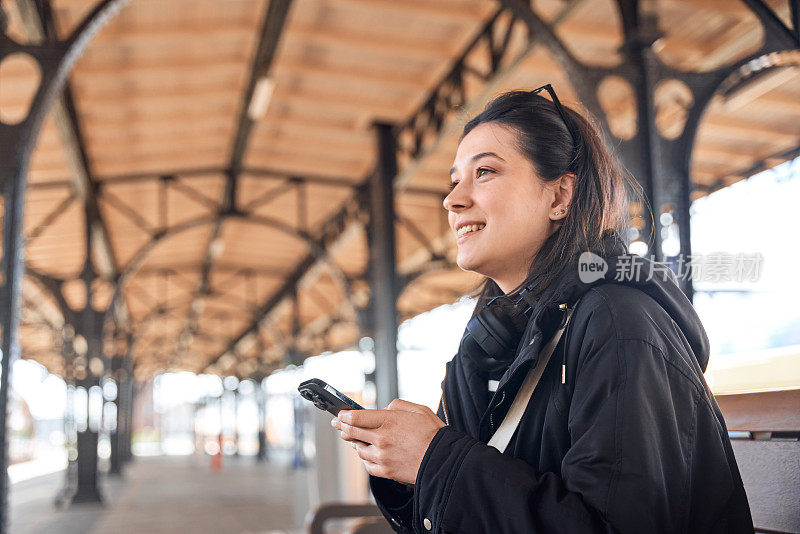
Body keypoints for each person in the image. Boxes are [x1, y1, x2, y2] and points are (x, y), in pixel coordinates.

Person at [331, 86, 753, 533]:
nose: (452, 200)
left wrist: (433, 459)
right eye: (455, 180)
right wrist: (407, 470)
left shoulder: (618, 323)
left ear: (559, 197)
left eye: (486, 172)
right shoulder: (491, 343)